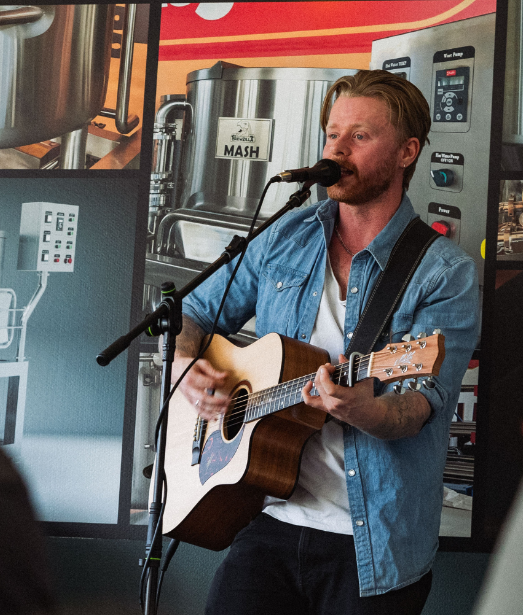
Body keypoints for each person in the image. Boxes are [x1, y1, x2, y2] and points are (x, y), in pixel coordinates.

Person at [171, 70, 479, 615]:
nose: (337, 149)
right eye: (332, 134)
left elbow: (417, 406)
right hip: (266, 515)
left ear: (407, 151)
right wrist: (188, 361)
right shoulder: (283, 237)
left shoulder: (443, 272)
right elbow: (194, 310)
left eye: (359, 136)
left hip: (374, 547)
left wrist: (363, 411)